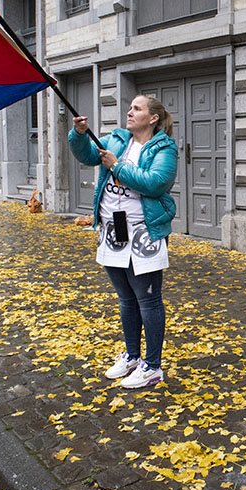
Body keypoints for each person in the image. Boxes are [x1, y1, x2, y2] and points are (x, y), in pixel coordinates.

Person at [68, 95, 178, 389]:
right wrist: (78, 136)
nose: (129, 112)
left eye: (137, 108)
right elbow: (88, 155)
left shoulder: (164, 147)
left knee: (148, 299)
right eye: (129, 108)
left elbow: (156, 183)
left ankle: (153, 366)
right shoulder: (116, 139)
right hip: (113, 232)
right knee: (126, 298)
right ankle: (132, 355)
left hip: (144, 233)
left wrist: (117, 166)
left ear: (153, 117)